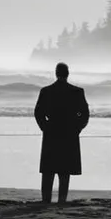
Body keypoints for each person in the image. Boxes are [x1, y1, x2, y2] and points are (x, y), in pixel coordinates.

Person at [34, 62, 90, 204]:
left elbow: (38, 112)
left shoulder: (46, 91)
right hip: (68, 132)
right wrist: (77, 129)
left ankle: (46, 200)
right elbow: (85, 114)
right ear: (67, 74)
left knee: (48, 170)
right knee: (64, 170)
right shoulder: (77, 92)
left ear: (56, 73)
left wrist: (44, 126)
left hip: (51, 131)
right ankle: (61, 200)